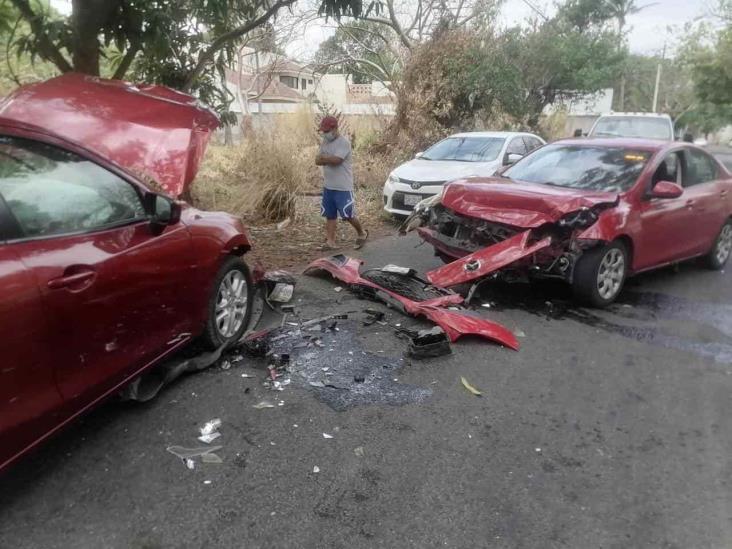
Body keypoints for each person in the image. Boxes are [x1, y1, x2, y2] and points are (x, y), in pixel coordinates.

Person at [315, 115, 368, 250]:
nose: (325, 134)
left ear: (335, 128)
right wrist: (327, 158)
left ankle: (362, 233)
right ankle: (330, 242)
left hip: (343, 187)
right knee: (330, 215)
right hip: (329, 186)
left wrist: (325, 158)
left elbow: (337, 160)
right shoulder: (325, 143)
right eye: (323, 131)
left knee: (348, 214)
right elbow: (317, 160)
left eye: (327, 131)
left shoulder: (344, 142)